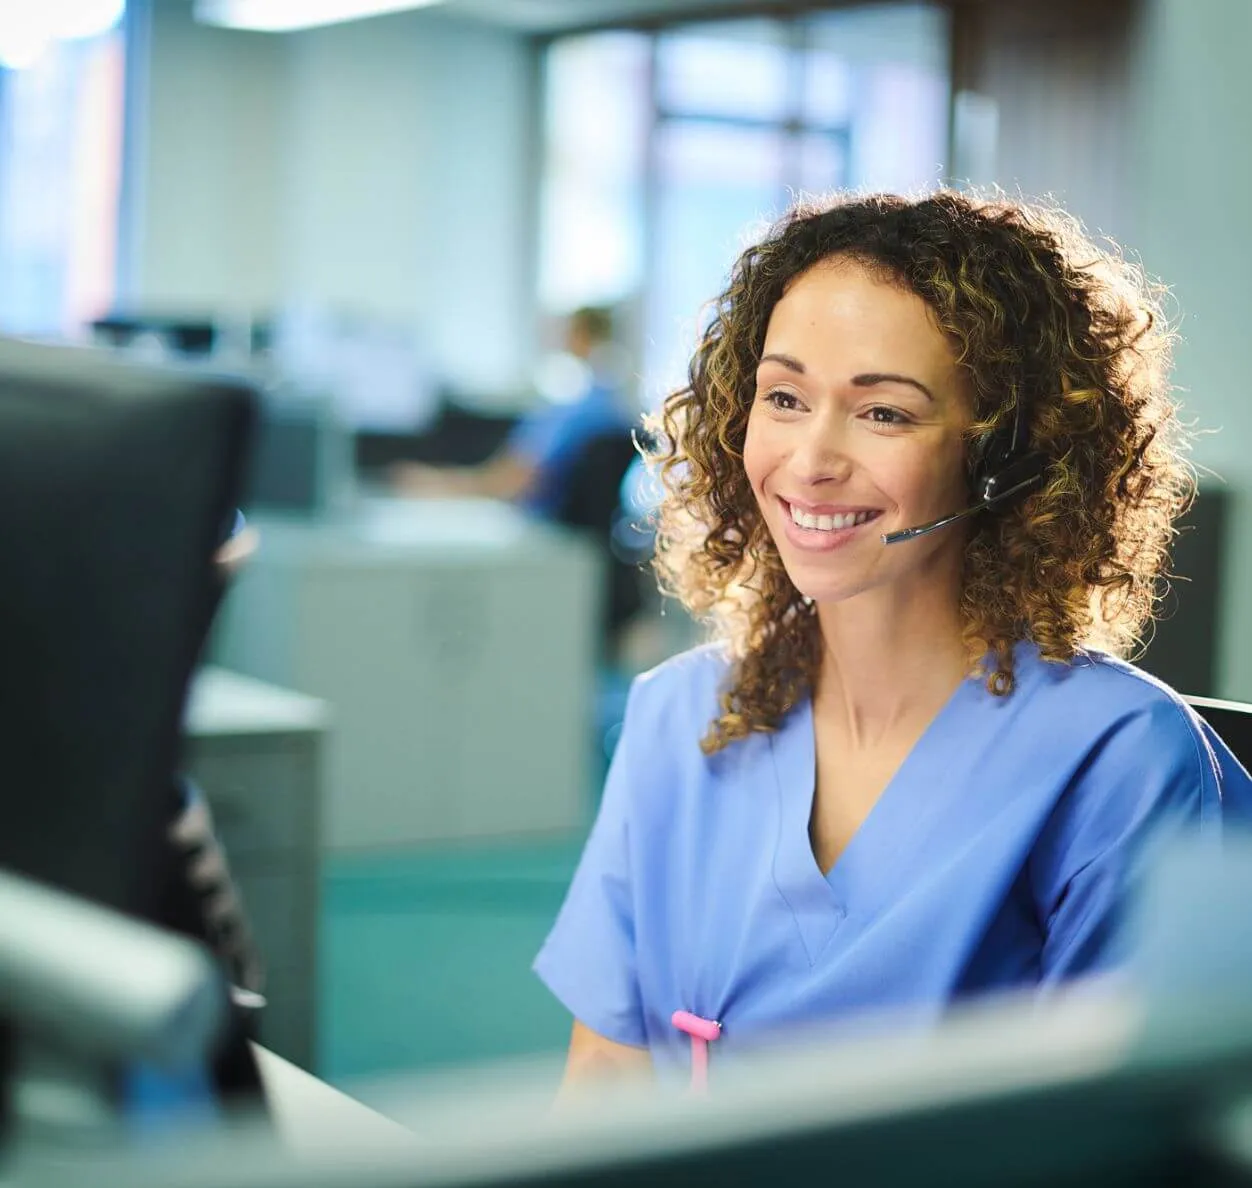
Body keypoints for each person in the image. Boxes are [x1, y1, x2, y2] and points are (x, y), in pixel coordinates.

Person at [532, 191, 1252, 1091]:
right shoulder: (677, 713)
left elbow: (1138, 1139)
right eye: (784, 397)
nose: (811, 460)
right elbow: (604, 1073)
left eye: (884, 414)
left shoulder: (1119, 762)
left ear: (1008, 455)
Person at [391, 306, 636, 518]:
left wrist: (442, 485)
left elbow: (513, 482)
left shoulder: (571, 413)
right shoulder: (612, 407)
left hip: (543, 536)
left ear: (580, 336)